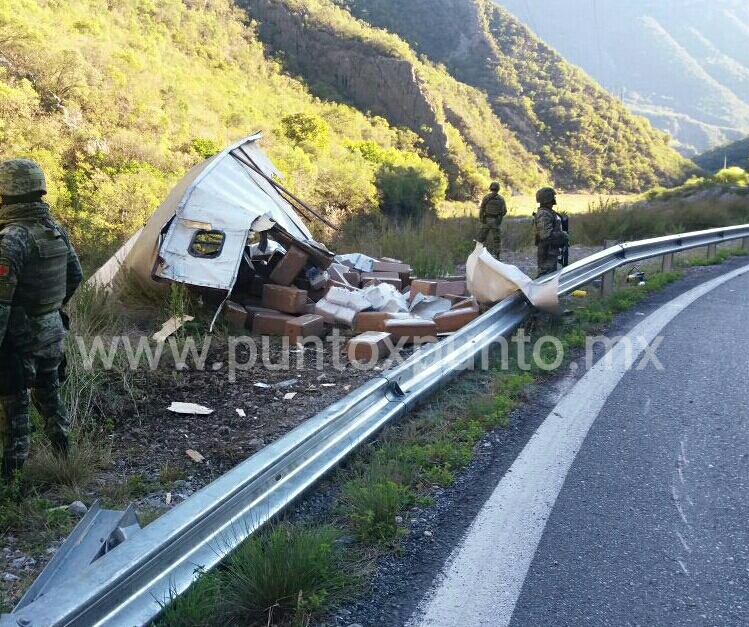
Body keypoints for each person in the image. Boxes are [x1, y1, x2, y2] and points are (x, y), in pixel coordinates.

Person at [0, 158, 82, 479]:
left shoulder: (12, 240)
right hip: (52, 334)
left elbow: (2, 305)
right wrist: (50, 309)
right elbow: (75, 274)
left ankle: (12, 481)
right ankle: (65, 457)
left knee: (15, 408)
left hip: (21, 342)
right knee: (49, 397)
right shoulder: (55, 230)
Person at [533, 186, 568, 278]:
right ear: (548, 198)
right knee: (544, 276)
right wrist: (563, 235)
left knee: (550, 276)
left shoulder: (548, 212)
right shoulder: (544, 213)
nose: (554, 198)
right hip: (547, 250)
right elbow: (545, 235)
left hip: (551, 249)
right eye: (552, 196)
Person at [478, 181, 507, 259]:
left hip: (486, 220)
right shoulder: (501, 199)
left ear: (491, 188)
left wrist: (482, 219)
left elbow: (482, 209)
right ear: (498, 189)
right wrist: (498, 218)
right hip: (495, 221)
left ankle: (477, 254)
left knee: (481, 239)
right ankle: (497, 256)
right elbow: (504, 211)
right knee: (497, 240)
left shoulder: (486, 197)